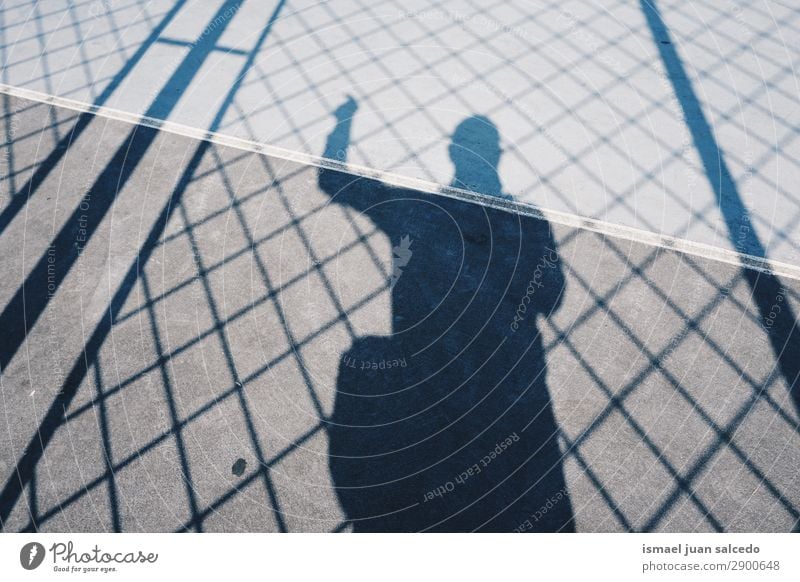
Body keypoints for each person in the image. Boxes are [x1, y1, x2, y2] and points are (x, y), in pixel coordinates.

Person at [322, 96, 573, 531]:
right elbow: (552, 299)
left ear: (451, 154)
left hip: (425, 385)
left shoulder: (416, 210)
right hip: (510, 392)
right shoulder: (528, 220)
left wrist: (343, 122)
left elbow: (333, 180)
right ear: (498, 157)